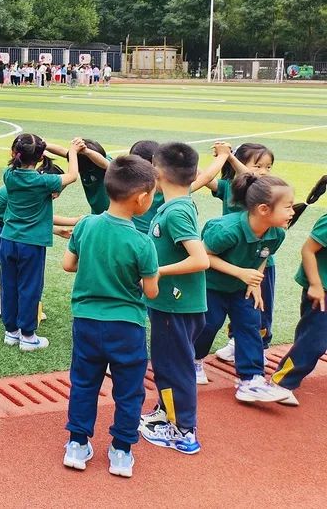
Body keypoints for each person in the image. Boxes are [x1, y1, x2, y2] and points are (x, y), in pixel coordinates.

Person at [61, 155, 160, 478]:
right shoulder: (142, 242)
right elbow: (151, 291)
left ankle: (77, 444)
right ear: (142, 198)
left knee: (84, 383)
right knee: (129, 390)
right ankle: (121, 450)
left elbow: (68, 265)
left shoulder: (87, 225)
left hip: (87, 322)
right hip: (126, 326)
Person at [192, 174, 294, 403]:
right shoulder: (227, 230)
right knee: (208, 324)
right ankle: (194, 361)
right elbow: (204, 256)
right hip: (211, 286)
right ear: (264, 209)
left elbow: (263, 255)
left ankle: (251, 379)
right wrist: (240, 273)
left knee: (250, 325)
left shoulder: (276, 233)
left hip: (242, 288)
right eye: (287, 207)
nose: (292, 211)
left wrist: (254, 282)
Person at [138, 142, 211, 455]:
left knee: (175, 367)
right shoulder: (177, 203)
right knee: (167, 364)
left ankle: (183, 430)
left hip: (176, 305)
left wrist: (156, 272)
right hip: (173, 303)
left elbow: (200, 259)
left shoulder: (177, 211)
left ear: (156, 173)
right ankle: (165, 413)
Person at [0, 134, 82, 351]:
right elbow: (73, 175)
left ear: (14, 153)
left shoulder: (9, 175)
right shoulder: (43, 181)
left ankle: (11, 331)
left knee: (9, 285)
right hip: (31, 242)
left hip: (8, 238)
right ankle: (27, 335)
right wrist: (72, 151)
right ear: (39, 158)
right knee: (29, 287)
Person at [270, 211, 327, 404]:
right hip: (322, 291)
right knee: (314, 340)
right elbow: (308, 250)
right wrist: (315, 284)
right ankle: (282, 382)